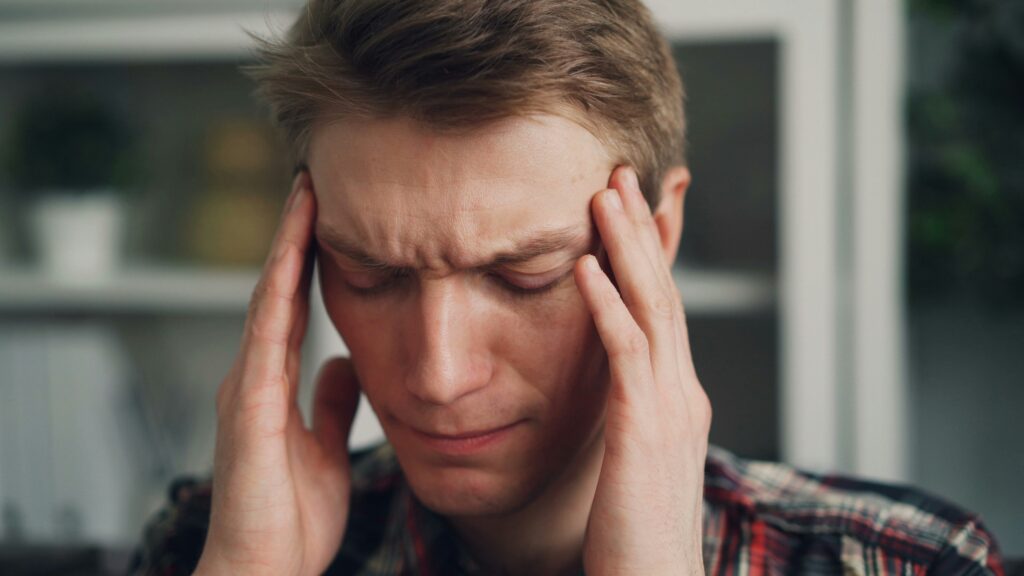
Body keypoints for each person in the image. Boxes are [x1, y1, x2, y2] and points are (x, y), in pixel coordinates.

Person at [129, 1, 1007, 574]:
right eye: (371, 271)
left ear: (655, 240)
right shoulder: (206, 548)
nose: (437, 374)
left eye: (525, 275)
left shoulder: (906, 565)